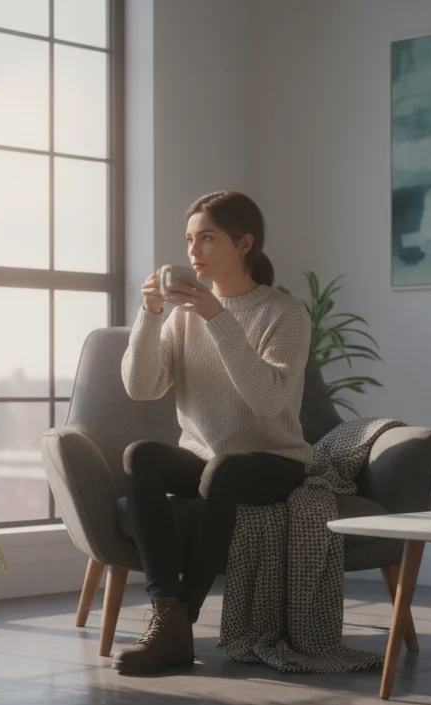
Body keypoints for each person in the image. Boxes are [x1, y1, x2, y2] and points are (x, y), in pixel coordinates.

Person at [115, 190, 313, 675]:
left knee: (223, 470)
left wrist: (216, 317)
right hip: (205, 457)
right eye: (189, 240)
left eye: (207, 237)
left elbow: (268, 403)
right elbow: (141, 388)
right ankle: (169, 615)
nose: (194, 251)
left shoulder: (286, 313)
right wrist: (150, 314)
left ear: (244, 243)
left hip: (274, 459)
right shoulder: (180, 315)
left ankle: (183, 622)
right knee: (142, 455)